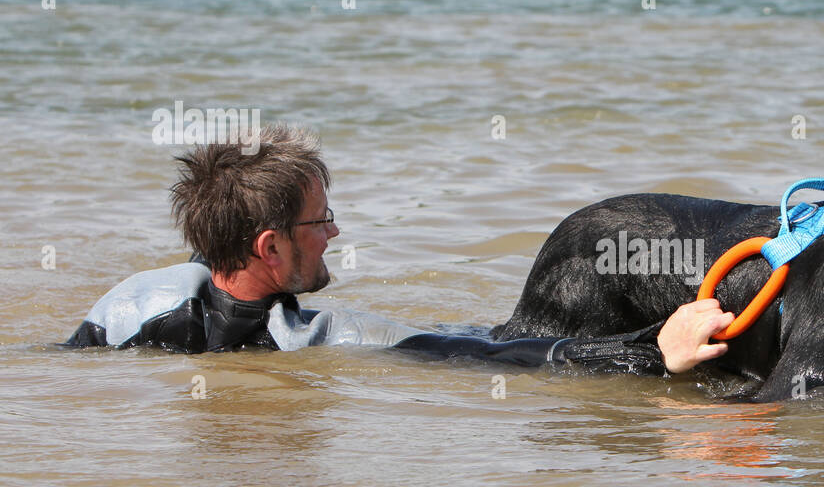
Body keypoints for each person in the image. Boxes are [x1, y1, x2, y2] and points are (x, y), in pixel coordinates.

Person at [65, 125, 733, 376]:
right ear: (269, 247)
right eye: (320, 220)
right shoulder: (310, 336)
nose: (334, 233)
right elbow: (477, 358)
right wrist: (655, 350)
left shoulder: (126, 307)